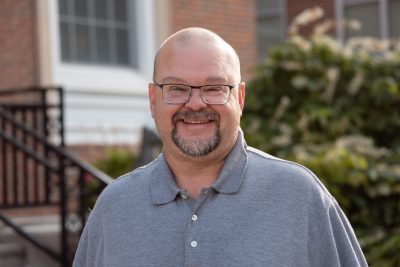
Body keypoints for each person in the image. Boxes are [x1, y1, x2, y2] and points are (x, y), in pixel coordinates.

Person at [73, 27, 367, 267]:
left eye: (214, 88)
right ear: (153, 100)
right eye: (177, 89)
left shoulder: (300, 197)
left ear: (239, 99)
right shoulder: (114, 208)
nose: (196, 103)